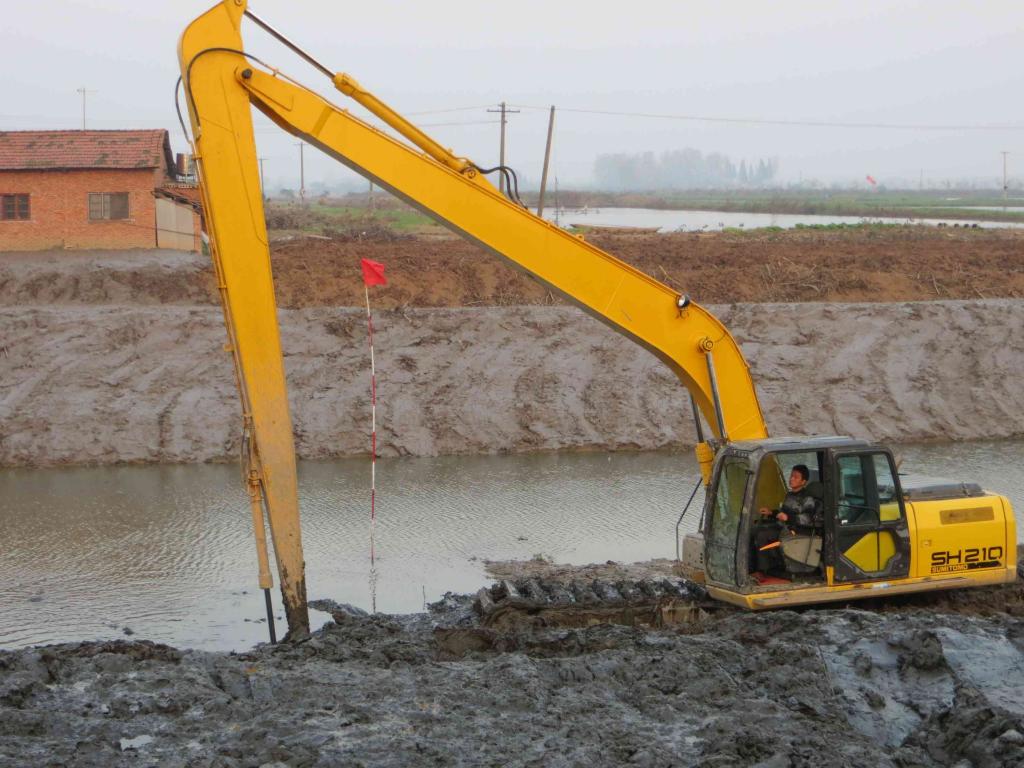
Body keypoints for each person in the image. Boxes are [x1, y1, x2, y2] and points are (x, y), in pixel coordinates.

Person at [752, 464, 823, 575]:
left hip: (796, 532)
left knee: (762, 535)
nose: (791, 479)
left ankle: (763, 570)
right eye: (791, 475)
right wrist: (772, 512)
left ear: (803, 482)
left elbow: (808, 519)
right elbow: (783, 514)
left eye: (795, 477)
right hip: (783, 526)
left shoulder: (808, 498)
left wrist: (789, 518)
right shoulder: (790, 495)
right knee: (754, 529)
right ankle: (755, 567)